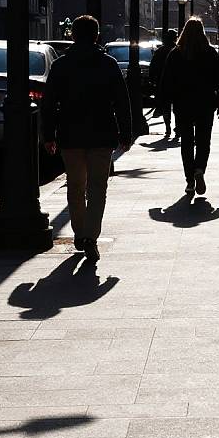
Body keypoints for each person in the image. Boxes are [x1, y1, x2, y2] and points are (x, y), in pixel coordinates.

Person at [42, 15, 132, 262]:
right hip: (102, 133)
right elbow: (122, 103)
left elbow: (48, 104)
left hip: (70, 134)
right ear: (96, 36)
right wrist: (126, 133)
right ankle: (91, 236)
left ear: (72, 35)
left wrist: (48, 135)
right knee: (97, 188)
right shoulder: (108, 64)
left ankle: (80, 233)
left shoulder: (61, 66)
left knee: (75, 186)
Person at [155, 17, 219, 195]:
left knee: (187, 142)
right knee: (204, 140)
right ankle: (199, 169)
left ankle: (189, 180)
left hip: (183, 103)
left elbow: (166, 81)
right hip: (205, 102)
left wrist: (164, 102)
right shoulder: (210, 53)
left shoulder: (176, 53)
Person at [150, 29, 179, 138]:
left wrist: (153, 80)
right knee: (177, 107)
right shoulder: (178, 50)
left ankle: (168, 127)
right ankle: (177, 127)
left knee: (166, 106)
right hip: (176, 83)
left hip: (164, 83)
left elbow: (153, 66)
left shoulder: (160, 51)